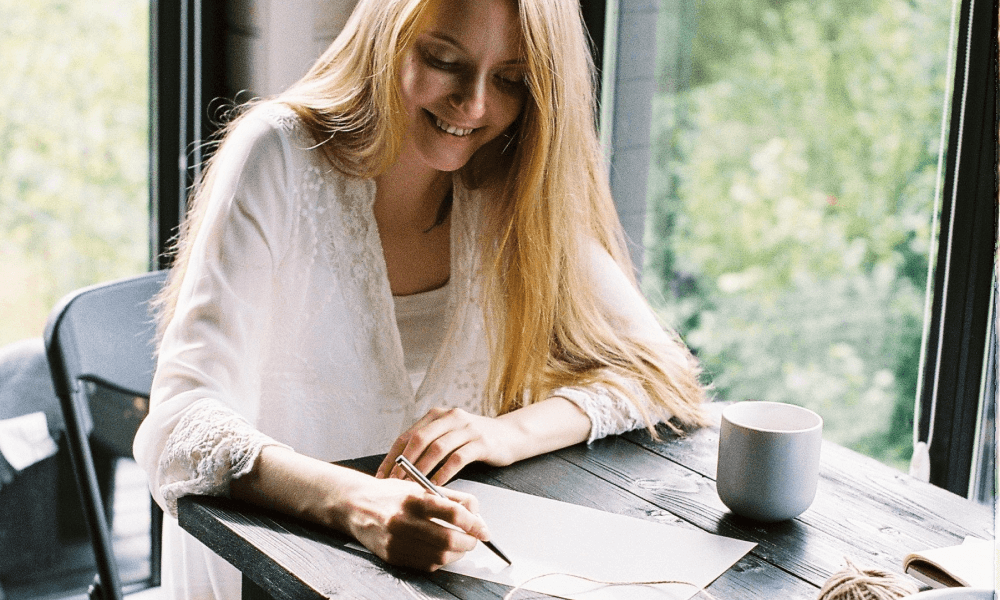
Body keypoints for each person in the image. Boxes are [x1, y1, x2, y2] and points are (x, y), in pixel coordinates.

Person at [133, 0, 709, 598]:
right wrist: (359, 505)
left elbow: (660, 375)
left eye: (511, 79)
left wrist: (503, 434)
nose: (475, 105)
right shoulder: (277, 153)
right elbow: (178, 425)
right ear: (386, 36)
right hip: (266, 579)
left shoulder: (512, 185)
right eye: (443, 60)